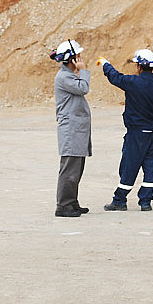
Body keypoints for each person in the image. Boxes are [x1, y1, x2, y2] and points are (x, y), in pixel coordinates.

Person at [97, 49, 153, 212]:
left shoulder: (133, 83)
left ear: (139, 66)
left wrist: (105, 64)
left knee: (129, 166)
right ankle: (145, 202)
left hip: (136, 134)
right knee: (149, 167)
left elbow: (115, 77)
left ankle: (119, 200)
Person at [51, 39, 91, 218]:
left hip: (77, 130)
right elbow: (83, 88)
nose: (80, 59)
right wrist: (83, 70)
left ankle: (72, 202)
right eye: (78, 56)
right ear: (71, 59)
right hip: (71, 131)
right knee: (69, 169)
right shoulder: (65, 77)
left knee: (76, 168)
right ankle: (64, 206)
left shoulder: (68, 75)